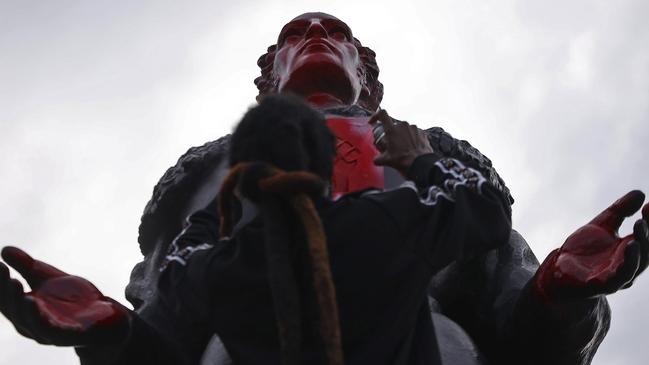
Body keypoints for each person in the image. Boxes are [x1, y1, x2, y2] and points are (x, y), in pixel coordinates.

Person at [1, 11, 648, 365]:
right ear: (267, 77)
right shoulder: (206, 183)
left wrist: (558, 293)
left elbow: (514, 321)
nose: (314, 36)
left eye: (334, 33)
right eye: (294, 35)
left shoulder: (428, 163)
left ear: (367, 77)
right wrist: (108, 332)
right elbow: (167, 333)